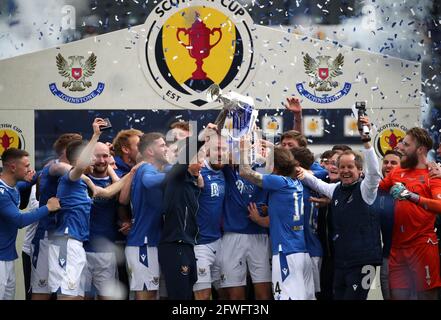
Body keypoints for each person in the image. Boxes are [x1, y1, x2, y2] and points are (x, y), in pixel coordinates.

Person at [298, 116, 383, 300]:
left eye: (350, 167)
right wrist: (296, 169)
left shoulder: (366, 189)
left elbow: (375, 172)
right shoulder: (336, 189)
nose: (345, 170)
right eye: (342, 166)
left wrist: (366, 140)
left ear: (360, 170)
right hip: (341, 262)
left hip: (363, 263)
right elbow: (315, 182)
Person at [48, 119, 133, 300]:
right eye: (93, 156)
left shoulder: (78, 180)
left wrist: (134, 171)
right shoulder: (71, 177)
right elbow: (71, 167)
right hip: (68, 242)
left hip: (78, 244)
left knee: (75, 296)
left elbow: (108, 192)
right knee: (70, 297)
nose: (96, 160)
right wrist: (96, 135)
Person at [240, 146, 315, 300]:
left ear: (274, 167)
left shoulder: (279, 182)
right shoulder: (297, 183)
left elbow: (244, 172)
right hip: (302, 252)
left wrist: (243, 149)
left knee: (285, 297)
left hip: (285, 252)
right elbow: (281, 216)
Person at [380, 127, 441, 300]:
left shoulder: (433, 173)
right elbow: (372, 191)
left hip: (422, 245)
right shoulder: (397, 172)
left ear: (420, 149)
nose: (400, 147)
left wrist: (411, 196)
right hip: (397, 249)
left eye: (406, 144)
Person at [0, 148, 60, 300]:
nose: (29, 169)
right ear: (13, 167)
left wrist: (54, 166)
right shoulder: (1, 193)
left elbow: (35, 176)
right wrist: (48, 207)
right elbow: (20, 221)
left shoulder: (13, 186)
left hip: (6, 258)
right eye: (26, 166)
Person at [31, 133, 82, 300]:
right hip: (48, 236)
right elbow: (61, 170)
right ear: (68, 151)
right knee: (44, 292)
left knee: (70, 291)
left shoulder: (57, 168)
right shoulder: (55, 167)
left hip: (65, 236)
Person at [119, 132, 169, 300]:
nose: (166, 148)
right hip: (143, 243)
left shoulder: (155, 169)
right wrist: (178, 172)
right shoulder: (146, 168)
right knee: (145, 296)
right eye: (162, 146)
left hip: (151, 241)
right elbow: (149, 182)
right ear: (150, 151)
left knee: (153, 295)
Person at [158, 137, 205, 300]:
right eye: (199, 159)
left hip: (187, 245)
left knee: (186, 293)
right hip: (174, 244)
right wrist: (201, 138)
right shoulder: (175, 178)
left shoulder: (191, 183)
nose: (203, 164)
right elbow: (182, 161)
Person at [83, 142, 121, 300]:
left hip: (106, 253)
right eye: (97, 156)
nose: (101, 160)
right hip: (80, 250)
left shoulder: (118, 182)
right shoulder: (79, 180)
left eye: (105, 156)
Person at [192, 133, 228, 300]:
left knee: (226, 294)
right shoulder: (197, 170)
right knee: (203, 296)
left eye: (224, 149)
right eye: (217, 149)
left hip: (220, 242)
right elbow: (190, 163)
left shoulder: (224, 171)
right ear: (207, 150)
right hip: (199, 244)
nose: (221, 153)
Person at [291, 147, 323, 297]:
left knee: (309, 295)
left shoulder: (297, 186)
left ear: (296, 164)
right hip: (307, 248)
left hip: (308, 249)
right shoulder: (315, 182)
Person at [371, 150, 401, 300]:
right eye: (386, 162)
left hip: (409, 257)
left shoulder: (412, 188)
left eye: (393, 162)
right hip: (386, 256)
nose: (388, 165)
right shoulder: (375, 189)